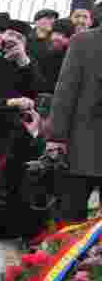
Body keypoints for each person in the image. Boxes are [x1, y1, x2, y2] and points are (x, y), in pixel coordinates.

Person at [48, 22, 102, 221]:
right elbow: (65, 92)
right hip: (82, 144)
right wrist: (57, 137)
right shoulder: (83, 41)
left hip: (82, 146)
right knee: (71, 214)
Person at [41, 18, 75, 92]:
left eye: (65, 36)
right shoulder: (41, 51)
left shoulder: (72, 57)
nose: (59, 38)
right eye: (57, 33)